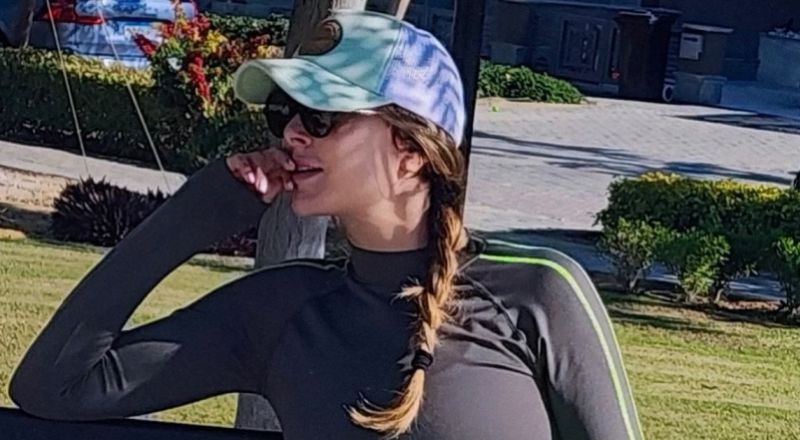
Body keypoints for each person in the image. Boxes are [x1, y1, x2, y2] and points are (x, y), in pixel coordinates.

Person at [9, 9, 643, 440]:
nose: (291, 132)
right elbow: (53, 387)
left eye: (321, 116)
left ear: (411, 148)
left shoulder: (539, 290)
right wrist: (190, 217)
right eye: (284, 112)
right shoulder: (281, 308)